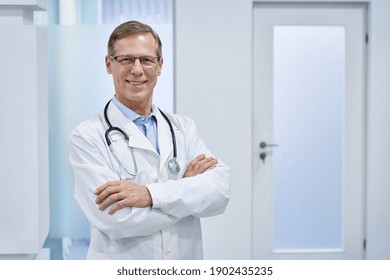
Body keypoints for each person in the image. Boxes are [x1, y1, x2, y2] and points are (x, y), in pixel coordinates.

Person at [68, 20, 230, 260]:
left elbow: (218, 193)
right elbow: (116, 220)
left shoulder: (183, 128)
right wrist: (187, 197)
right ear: (108, 64)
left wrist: (149, 196)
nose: (136, 70)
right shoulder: (87, 136)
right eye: (125, 59)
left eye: (146, 60)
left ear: (160, 65)